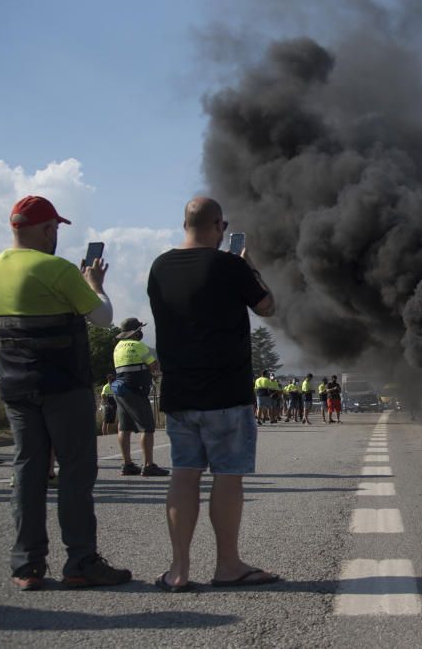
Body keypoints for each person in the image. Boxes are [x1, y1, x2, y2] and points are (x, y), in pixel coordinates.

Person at [0, 194, 131, 590]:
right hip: (64, 387)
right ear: (48, 229)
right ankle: (81, 562)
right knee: (76, 474)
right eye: (54, 229)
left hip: (15, 387)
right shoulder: (58, 270)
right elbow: (102, 317)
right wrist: (94, 285)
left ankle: (26, 567)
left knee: (28, 472)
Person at [147, 196, 278, 591]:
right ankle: (227, 566)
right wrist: (249, 266)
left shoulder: (159, 266)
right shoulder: (229, 265)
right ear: (219, 226)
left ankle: (178, 570)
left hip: (180, 393)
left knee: (183, 477)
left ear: (184, 223)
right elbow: (268, 307)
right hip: (226, 393)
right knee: (227, 478)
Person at [111, 318, 168, 477]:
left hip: (120, 390)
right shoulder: (139, 345)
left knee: (124, 428)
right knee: (148, 428)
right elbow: (153, 364)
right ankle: (148, 465)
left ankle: (127, 464)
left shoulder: (117, 348)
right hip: (135, 391)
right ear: (136, 332)